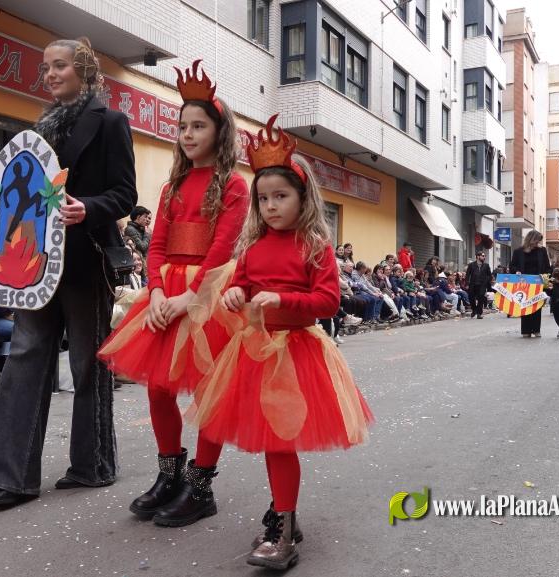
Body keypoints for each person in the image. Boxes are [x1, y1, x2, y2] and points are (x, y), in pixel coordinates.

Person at [192, 123, 373, 570]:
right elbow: (239, 287)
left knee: (280, 442)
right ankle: (283, 516)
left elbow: (328, 301)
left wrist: (284, 299)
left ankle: (283, 527)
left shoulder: (315, 246)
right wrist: (236, 294)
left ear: (303, 198)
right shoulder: (252, 246)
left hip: (296, 354)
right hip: (254, 353)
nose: (270, 206)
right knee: (272, 442)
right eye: (263, 198)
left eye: (281, 197)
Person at [0, 37, 137, 505]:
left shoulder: (111, 122)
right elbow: (17, 195)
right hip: (32, 262)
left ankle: (93, 465)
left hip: (85, 261)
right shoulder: (37, 130)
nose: (49, 74)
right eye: (46, 67)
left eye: (59, 66)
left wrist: (86, 207)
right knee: (25, 357)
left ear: (84, 70)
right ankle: (9, 476)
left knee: (87, 363)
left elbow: (125, 194)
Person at [98, 60, 249, 527]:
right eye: (182, 125)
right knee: (159, 389)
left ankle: (201, 487)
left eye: (198, 126)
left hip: (207, 297)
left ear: (219, 133)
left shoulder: (236, 187)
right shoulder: (172, 186)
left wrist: (192, 298)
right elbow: (157, 244)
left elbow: (222, 250)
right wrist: (159, 292)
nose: (187, 133)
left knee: (210, 392)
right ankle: (170, 474)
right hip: (166, 296)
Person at [508, 231, 551, 336]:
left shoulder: (542, 250)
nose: (538, 243)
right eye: (537, 240)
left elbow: (547, 267)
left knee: (537, 306)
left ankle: (536, 330)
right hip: (523, 283)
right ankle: (526, 331)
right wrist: (516, 271)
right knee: (525, 306)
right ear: (531, 239)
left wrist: (545, 276)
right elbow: (512, 266)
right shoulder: (518, 251)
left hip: (538, 282)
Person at [465, 251, 493, 318]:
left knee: (481, 298)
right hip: (473, 284)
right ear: (478, 257)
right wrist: (467, 283)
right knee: (471, 298)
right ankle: (474, 310)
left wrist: (486, 281)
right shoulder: (471, 265)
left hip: (482, 285)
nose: (484, 257)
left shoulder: (486, 265)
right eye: (482, 256)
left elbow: (489, 275)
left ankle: (479, 313)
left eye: (484, 256)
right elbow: (468, 275)